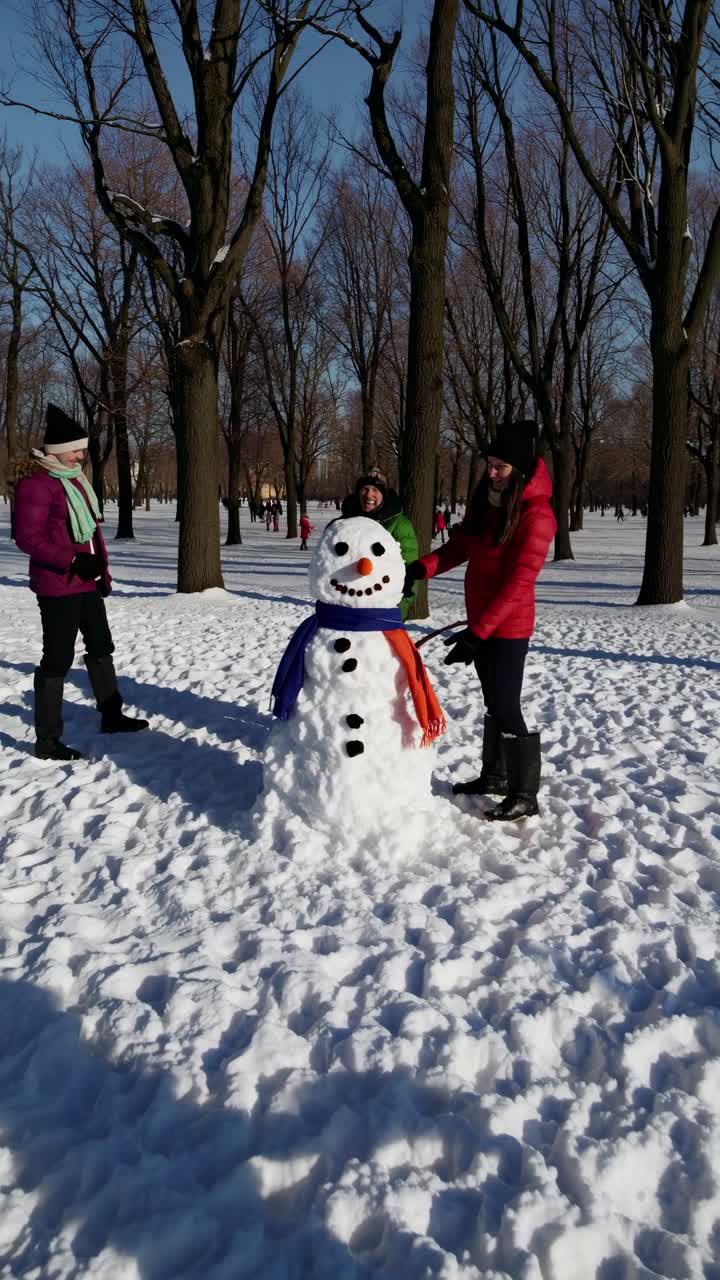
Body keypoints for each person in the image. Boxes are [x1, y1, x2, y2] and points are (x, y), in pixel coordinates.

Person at [404, 421, 556, 821]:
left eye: (500, 466)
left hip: (508, 627)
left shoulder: (537, 516)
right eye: (489, 463)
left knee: (506, 704)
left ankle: (525, 792)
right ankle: (495, 776)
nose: (491, 472)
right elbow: (459, 548)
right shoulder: (489, 502)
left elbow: (519, 583)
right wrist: (419, 570)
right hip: (482, 624)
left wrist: (478, 633)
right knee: (493, 702)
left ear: (520, 470)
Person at [14, 403, 149, 761]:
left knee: (102, 646)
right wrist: (71, 559)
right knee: (57, 658)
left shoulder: (76, 482)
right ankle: (47, 740)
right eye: (77, 449)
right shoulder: (37, 486)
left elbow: (91, 536)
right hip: (58, 585)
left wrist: (100, 571)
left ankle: (111, 715)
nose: (82, 455)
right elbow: (27, 538)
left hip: (86, 582)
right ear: (58, 450)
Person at [341, 467, 420, 621]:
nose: (369, 495)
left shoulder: (400, 525)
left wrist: (397, 611)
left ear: (383, 494)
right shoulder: (347, 522)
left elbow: (411, 573)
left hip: (383, 608)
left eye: (375, 489)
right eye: (365, 489)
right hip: (350, 604)